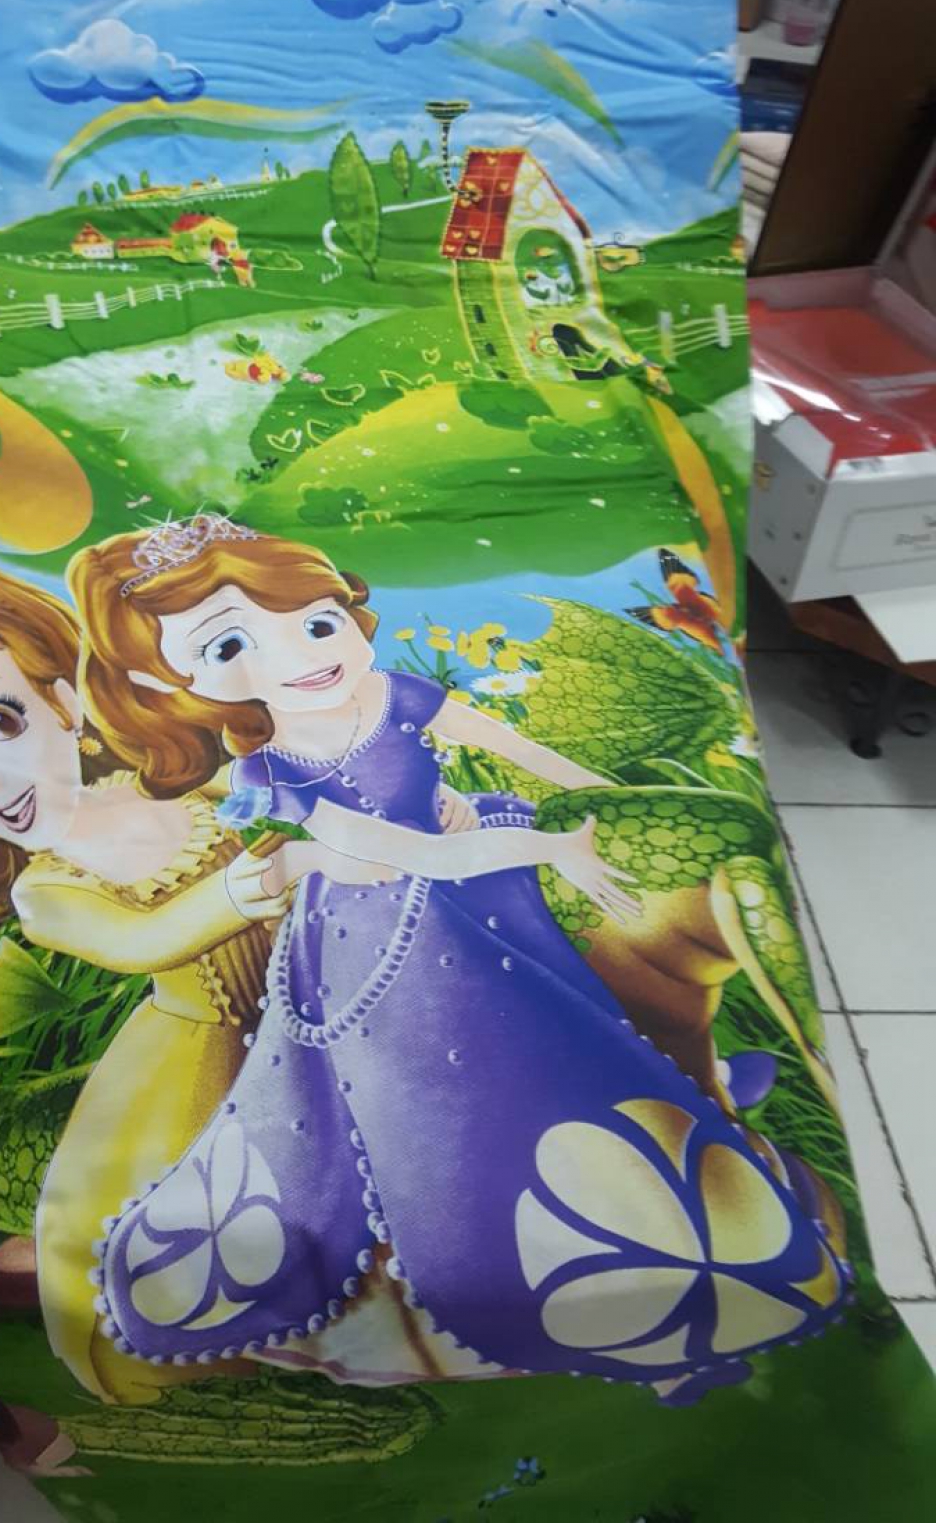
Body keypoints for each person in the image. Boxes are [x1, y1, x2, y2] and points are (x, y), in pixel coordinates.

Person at [69, 516, 850, 1400]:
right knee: (457, 1083)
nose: (302, 658)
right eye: (230, 647)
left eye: (317, 622)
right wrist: (554, 849)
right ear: (163, 682)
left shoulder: (389, 695)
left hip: (484, 873)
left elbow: (511, 746)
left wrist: (609, 807)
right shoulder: (272, 777)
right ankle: (569, 1260)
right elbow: (412, 855)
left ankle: (684, 1085)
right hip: (379, 935)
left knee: (578, 995)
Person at [0, 559, 400, 1401]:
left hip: (308, 1021)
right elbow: (144, 940)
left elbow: (283, 798)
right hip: (200, 1069)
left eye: (1, 719)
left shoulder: (178, 791)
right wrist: (255, 886)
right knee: (208, 1238)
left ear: (65, 703)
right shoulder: (47, 891)